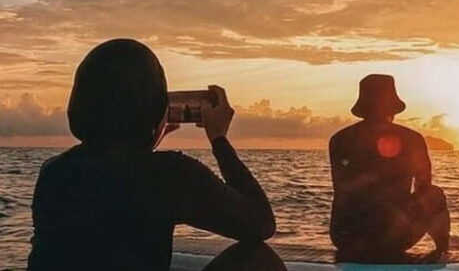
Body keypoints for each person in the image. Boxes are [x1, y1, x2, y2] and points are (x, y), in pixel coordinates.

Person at [27, 39, 285, 271]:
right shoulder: (170, 174)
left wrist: (147, 140)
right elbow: (261, 223)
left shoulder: (54, 172)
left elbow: (116, 180)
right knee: (257, 257)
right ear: (154, 108)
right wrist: (218, 139)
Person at [329, 74, 450, 261]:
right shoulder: (412, 139)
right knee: (434, 194)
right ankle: (444, 250)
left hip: (345, 237)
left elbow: (341, 189)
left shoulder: (339, 139)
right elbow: (424, 186)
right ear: (393, 108)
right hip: (391, 239)